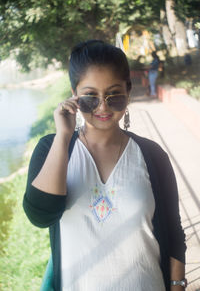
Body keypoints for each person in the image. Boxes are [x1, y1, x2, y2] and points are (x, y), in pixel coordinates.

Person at [23, 40, 187, 291]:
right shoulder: (53, 149)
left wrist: (177, 285)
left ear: (128, 92)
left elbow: (174, 234)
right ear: (73, 94)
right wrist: (63, 136)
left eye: (114, 96)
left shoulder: (152, 156)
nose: (102, 106)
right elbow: (40, 215)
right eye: (90, 97)